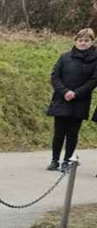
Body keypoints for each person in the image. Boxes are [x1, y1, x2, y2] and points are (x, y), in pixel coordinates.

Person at [46, 28, 97, 171]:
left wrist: (76, 93)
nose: (83, 43)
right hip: (62, 98)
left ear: (92, 42)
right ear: (75, 41)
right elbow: (55, 76)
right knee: (59, 131)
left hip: (80, 100)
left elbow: (94, 80)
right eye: (80, 40)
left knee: (73, 132)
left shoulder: (95, 59)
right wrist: (64, 92)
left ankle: (67, 161)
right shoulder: (65, 57)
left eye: (86, 41)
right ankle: (55, 159)